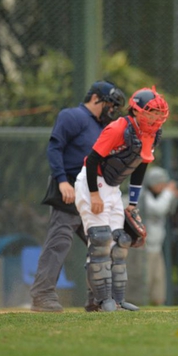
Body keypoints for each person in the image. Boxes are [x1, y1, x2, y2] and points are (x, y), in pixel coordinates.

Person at [31, 81, 124, 312]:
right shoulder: (73, 116)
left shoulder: (103, 127)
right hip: (70, 189)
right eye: (110, 104)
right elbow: (55, 148)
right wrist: (62, 180)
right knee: (59, 242)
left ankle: (98, 299)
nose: (112, 110)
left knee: (103, 243)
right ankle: (42, 295)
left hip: (93, 192)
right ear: (95, 98)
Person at [75, 86, 170, 312]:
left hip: (113, 187)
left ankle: (117, 300)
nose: (155, 118)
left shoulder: (151, 133)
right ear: (136, 110)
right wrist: (94, 194)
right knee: (100, 240)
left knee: (120, 242)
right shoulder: (119, 127)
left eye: (159, 114)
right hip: (92, 182)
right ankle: (101, 301)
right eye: (151, 113)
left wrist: (133, 204)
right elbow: (92, 160)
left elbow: (140, 168)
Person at [138, 166, 178, 306]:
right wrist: (168, 193)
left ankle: (158, 303)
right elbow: (158, 209)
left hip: (156, 245)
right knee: (146, 279)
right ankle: (141, 303)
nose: (163, 186)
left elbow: (169, 210)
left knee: (158, 278)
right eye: (160, 183)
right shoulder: (143, 195)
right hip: (144, 246)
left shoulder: (160, 195)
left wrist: (173, 196)